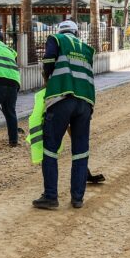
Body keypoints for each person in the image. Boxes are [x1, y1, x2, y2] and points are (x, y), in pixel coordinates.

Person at [33, 20, 95, 209]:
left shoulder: (56, 39)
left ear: (61, 30)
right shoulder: (87, 49)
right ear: (76, 32)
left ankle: (51, 196)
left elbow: (49, 60)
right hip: (85, 101)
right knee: (80, 151)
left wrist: (47, 80)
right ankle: (77, 198)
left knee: (50, 148)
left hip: (61, 98)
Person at [27, 88, 105, 184]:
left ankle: (50, 191)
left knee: (51, 150)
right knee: (53, 149)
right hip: (64, 97)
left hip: (61, 98)